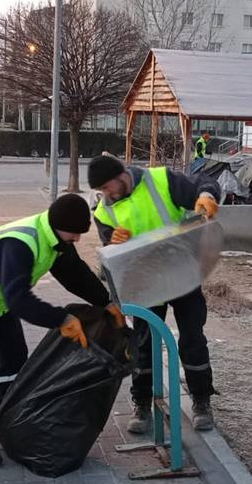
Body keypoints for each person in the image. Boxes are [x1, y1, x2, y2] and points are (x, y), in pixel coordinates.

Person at [0, 194, 124, 467]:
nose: (76, 238)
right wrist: (61, 320)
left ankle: (9, 417)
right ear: (59, 225)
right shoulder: (19, 243)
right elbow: (20, 300)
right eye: (74, 233)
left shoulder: (55, 238)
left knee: (15, 359)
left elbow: (75, 273)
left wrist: (105, 302)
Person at [86, 155, 220, 433]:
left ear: (122, 174)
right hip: (144, 282)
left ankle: (201, 400)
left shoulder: (161, 180)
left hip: (182, 272)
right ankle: (143, 404)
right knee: (143, 345)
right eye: (102, 191)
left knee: (192, 338)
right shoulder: (103, 212)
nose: (106, 195)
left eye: (108, 187)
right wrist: (112, 243)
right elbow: (110, 256)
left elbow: (203, 183)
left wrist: (206, 196)